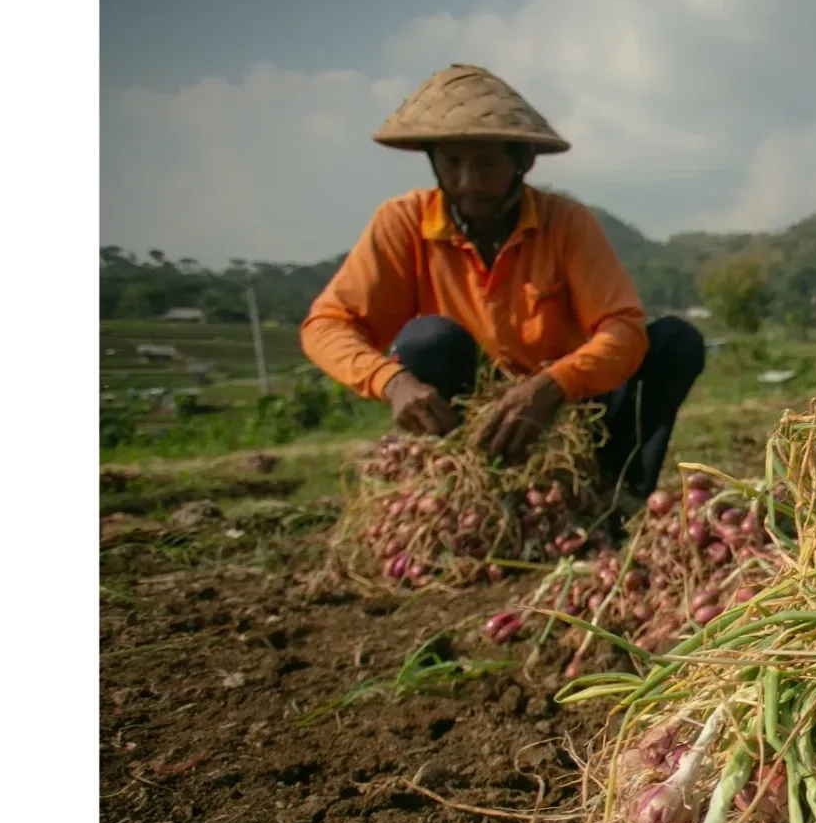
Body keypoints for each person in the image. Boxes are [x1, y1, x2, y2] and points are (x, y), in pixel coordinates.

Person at [301, 63, 707, 504]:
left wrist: (551, 386)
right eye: (451, 163)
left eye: (487, 163)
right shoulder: (403, 223)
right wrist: (392, 381)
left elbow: (623, 330)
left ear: (523, 161)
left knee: (674, 341)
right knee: (427, 341)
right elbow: (326, 325)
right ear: (432, 160)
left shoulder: (566, 224)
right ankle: (461, 492)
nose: (467, 183)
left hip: (571, 412)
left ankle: (614, 496)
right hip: (471, 419)